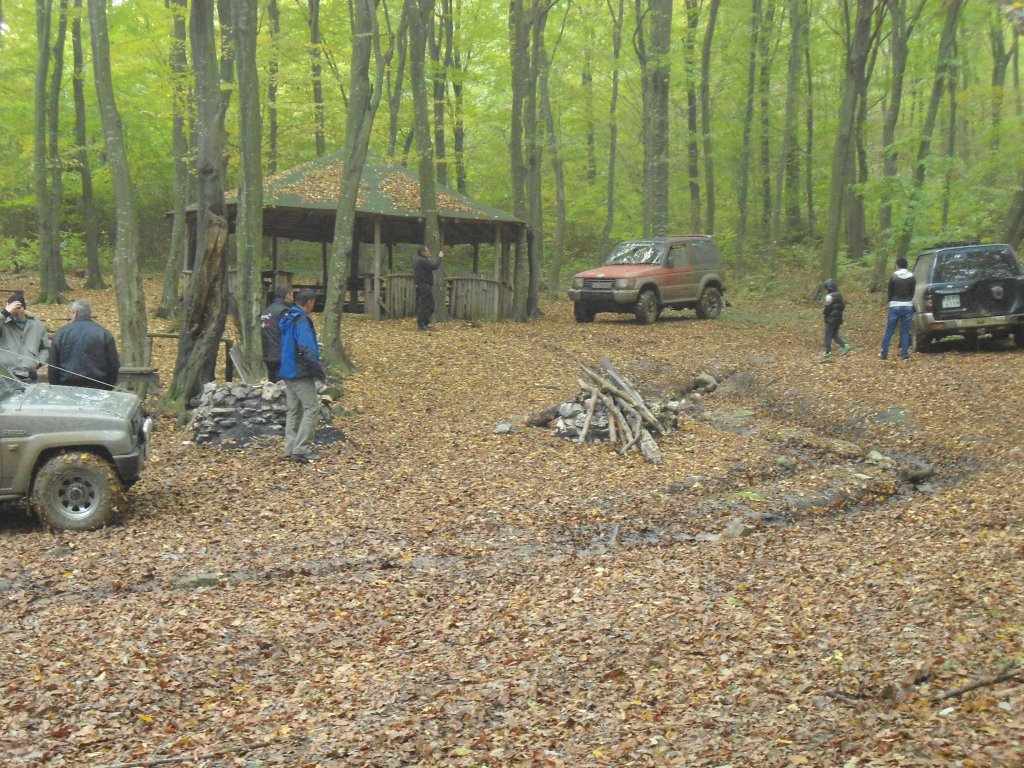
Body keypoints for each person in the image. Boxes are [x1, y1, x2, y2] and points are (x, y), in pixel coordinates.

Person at [279, 288, 325, 464]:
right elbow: (307, 347)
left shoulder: (288, 317)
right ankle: (301, 449)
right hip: (300, 372)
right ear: (310, 302)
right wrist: (318, 370)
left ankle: (290, 448)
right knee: (311, 408)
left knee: (294, 410)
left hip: (287, 369)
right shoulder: (301, 320)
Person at [47, 299, 120, 389]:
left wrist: (55, 386)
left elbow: (53, 365)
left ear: (74, 313)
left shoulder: (61, 334)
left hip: (67, 387)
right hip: (98, 387)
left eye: (70, 312)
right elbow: (113, 364)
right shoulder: (104, 334)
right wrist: (109, 386)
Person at [0, 291, 50, 382]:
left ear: (24, 308)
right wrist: (5, 313)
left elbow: (46, 348)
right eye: (12, 308)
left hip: (29, 376)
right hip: (6, 377)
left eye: (18, 308)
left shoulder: (37, 325)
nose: (15, 311)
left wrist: (38, 362)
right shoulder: (3, 323)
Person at [881, 256, 916, 361]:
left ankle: (884, 353)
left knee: (889, 330)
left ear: (898, 265)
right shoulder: (912, 277)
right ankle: (905, 354)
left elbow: (890, 291)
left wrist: (891, 301)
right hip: (907, 305)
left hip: (895, 305)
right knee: (905, 331)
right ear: (906, 265)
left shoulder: (894, 276)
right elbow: (912, 292)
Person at [260, 284, 293, 382]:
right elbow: (289, 333)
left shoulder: (266, 311)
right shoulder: (284, 312)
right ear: (287, 295)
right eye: (292, 295)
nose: (293, 298)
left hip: (267, 354)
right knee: (282, 386)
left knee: (272, 384)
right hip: (280, 355)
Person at [412, 244, 444, 331]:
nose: (429, 252)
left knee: (428, 304)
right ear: (423, 252)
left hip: (421, 285)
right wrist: (439, 257)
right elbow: (434, 266)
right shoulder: (422, 260)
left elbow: (428, 266)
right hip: (424, 285)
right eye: (427, 251)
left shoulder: (417, 259)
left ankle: (425, 322)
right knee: (426, 305)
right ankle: (422, 324)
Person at [821, 278, 851, 357]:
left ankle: (828, 351)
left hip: (831, 319)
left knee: (828, 335)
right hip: (838, 318)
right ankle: (844, 345)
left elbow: (827, 308)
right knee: (834, 334)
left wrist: (826, 315)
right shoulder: (839, 295)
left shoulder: (829, 297)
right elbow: (842, 306)